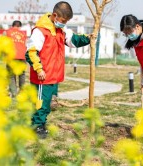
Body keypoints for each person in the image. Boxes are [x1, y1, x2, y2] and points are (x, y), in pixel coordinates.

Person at [26, 1, 93, 138]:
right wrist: (39, 69)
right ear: (55, 15)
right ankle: (37, 126)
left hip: (53, 76)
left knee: (47, 103)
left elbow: (73, 40)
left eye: (66, 21)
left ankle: (41, 124)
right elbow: (31, 52)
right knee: (40, 103)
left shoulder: (61, 30)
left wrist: (88, 39)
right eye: (63, 20)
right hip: (42, 76)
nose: (64, 23)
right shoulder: (40, 31)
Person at [5, 20, 27, 98]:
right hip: (22, 56)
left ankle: (14, 93)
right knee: (21, 74)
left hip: (12, 56)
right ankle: (22, 92)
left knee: (11, 75)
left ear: (12, 25)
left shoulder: (8, 32)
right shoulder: (24, 33)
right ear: (20, 27)